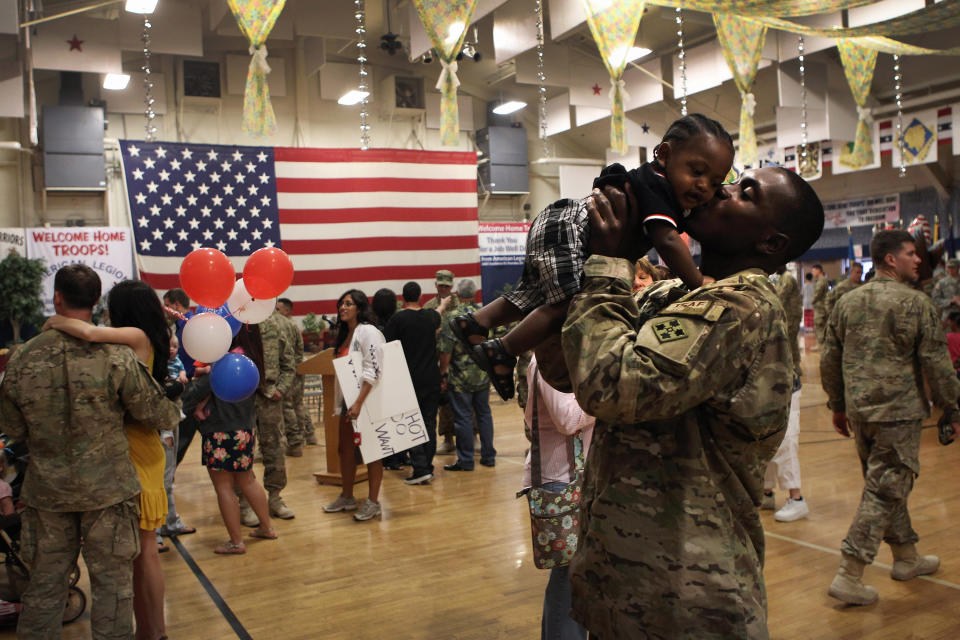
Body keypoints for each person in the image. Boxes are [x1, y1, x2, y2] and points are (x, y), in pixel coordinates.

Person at [561, 166, 824, 638]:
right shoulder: (673, 291)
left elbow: (607, 384)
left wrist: (607, 263)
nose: (721, 189)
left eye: (746, 193)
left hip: (686, 595)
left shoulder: (738, 308)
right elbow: (570, 369)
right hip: (620, 580)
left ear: (769, 243)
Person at [451, 114, 735, 400]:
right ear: (663, 154)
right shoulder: (659, 187)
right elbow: (668, 240)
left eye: (715, 183)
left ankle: (477, 322)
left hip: (561, 222)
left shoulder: (658, 184)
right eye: (697, 171)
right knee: (568, 304)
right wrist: (698, 281)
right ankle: (503, 349)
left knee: (534, 296)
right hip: (573, 228)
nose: (703, 187)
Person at [1, 265, 178, 639]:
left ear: (57, 298)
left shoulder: (22, 357)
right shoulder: (117, 355)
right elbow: (157, 414)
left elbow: (13, 430)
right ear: (96, 302)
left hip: (47, 493)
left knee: (44, 588)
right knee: (113, 590)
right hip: (109, 492)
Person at [820, 229, 960, 606]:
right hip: (898, 412)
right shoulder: (916, 303)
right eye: (912, 253)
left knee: (886, 486)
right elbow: (937, 362)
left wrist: (837, 403)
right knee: (884, 490)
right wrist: (952, 406)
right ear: (890, 260)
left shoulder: (847, 303)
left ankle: (906, 558)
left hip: (861, 412)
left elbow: (829, 357)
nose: (919, 260)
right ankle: (850, 572)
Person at [183, 325, 277, 554]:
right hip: (244, 428)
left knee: (223, 486)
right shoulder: (249, 358)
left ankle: (236, 542)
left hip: (219, 430)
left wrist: (188, 391)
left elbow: (200, 390)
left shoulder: (223, 361)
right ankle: (267, 527)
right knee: (248, 479)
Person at [521, 355, 595, 640]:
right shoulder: (548, 358)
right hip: (562, 480)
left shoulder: (576, 350)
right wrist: (610, 401)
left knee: (577, 576)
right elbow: (567, 419)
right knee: (569, 578)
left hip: (582, 476)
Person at [322, 289, 387, 522]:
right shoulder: (344, 334)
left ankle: (373, 502)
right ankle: (347, 496)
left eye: (348, 304)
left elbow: (374, 368)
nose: (342, 308)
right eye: (341, 304)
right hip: (347, 401)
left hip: (367, 400)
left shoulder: (368, 332)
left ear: (359, 308)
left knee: (372, 452)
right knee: (345, 449)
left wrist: (359, 401)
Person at [762, 266, 809, 522]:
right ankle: (766, 492)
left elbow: (786, 328)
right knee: (766, 438)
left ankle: (797, 497)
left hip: (784, 376)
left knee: (785, 439)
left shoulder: (786, 282)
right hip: (766, 378)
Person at [384, 282, 443, 485]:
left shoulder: (398, 319)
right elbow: (439, 313)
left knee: (411, 424)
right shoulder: (430, 317)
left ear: (403, 297)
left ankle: (420, 468)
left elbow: (387, 347)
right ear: (420, 295)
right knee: (429, 423)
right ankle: (427, 465)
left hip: (408, 380)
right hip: (432, 378)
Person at [243, 307, 297, 524]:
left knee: (275, 448)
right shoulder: (234, 326)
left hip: (269, 399)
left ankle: (275, 498)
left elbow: (289, 363)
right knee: (242, 450)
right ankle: (245, 503)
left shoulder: (274, 325)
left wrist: (281, 389)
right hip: (240, 399)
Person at [439, 279, 497, 471]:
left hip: (460, 378)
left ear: (457, 293)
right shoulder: (485, 313)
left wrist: (443, 373)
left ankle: (466, 460)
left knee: (463, 418)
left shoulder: (452, 317)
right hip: (482, 374)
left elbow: (446, 350)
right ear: (474, 293)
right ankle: (489, 456)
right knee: (484, 414)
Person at [159, 333, 196, 538]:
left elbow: (179, 384)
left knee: (168, 473)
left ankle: (171, 522)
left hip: (173, 418)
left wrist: (180, 384)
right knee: (162, 476)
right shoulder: (155, 363)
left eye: (175, 346)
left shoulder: (177, 362)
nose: (172, 349)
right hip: (162, 422)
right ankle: (155, 530)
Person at [424, 270, 458, 454]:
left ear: (452, 286)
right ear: (436, 285)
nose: (444, 288)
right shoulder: (429, 306)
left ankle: (473, 436)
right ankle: (448, 438)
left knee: (465, 401)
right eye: (441, 285)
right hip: (439, 360)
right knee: (443, 401)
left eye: (447, 285)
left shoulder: (460, 305)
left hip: (460, 361)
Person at [163, 288, 198, 465]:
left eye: (168, 306)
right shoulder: (179, 327)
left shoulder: (191, 326)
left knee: (181, 435)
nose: (166, 310)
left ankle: (169, 473)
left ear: (177, 305)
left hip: (190, 384)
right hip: (182, 383)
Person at [276, 298, 317, 448]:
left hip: (290, 371)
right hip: (296, 369)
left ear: (287, 310)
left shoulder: (286, 326)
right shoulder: (291, 325)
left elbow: (291, 351)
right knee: (298, 404)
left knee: (290, 406)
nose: (276, 312)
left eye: (278, 309)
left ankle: (298, 438)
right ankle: (309, 435)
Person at [811, 264, 829, 350]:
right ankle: (821, 345)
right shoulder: (822, 280)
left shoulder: (821, 281)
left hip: (820, 308)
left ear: (818, 270)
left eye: (814, 270)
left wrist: (812, 301)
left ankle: (821, 346)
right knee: (821, 326)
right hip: (822, 307)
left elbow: (817, 294)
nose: (813, 273)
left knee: (819, 326)